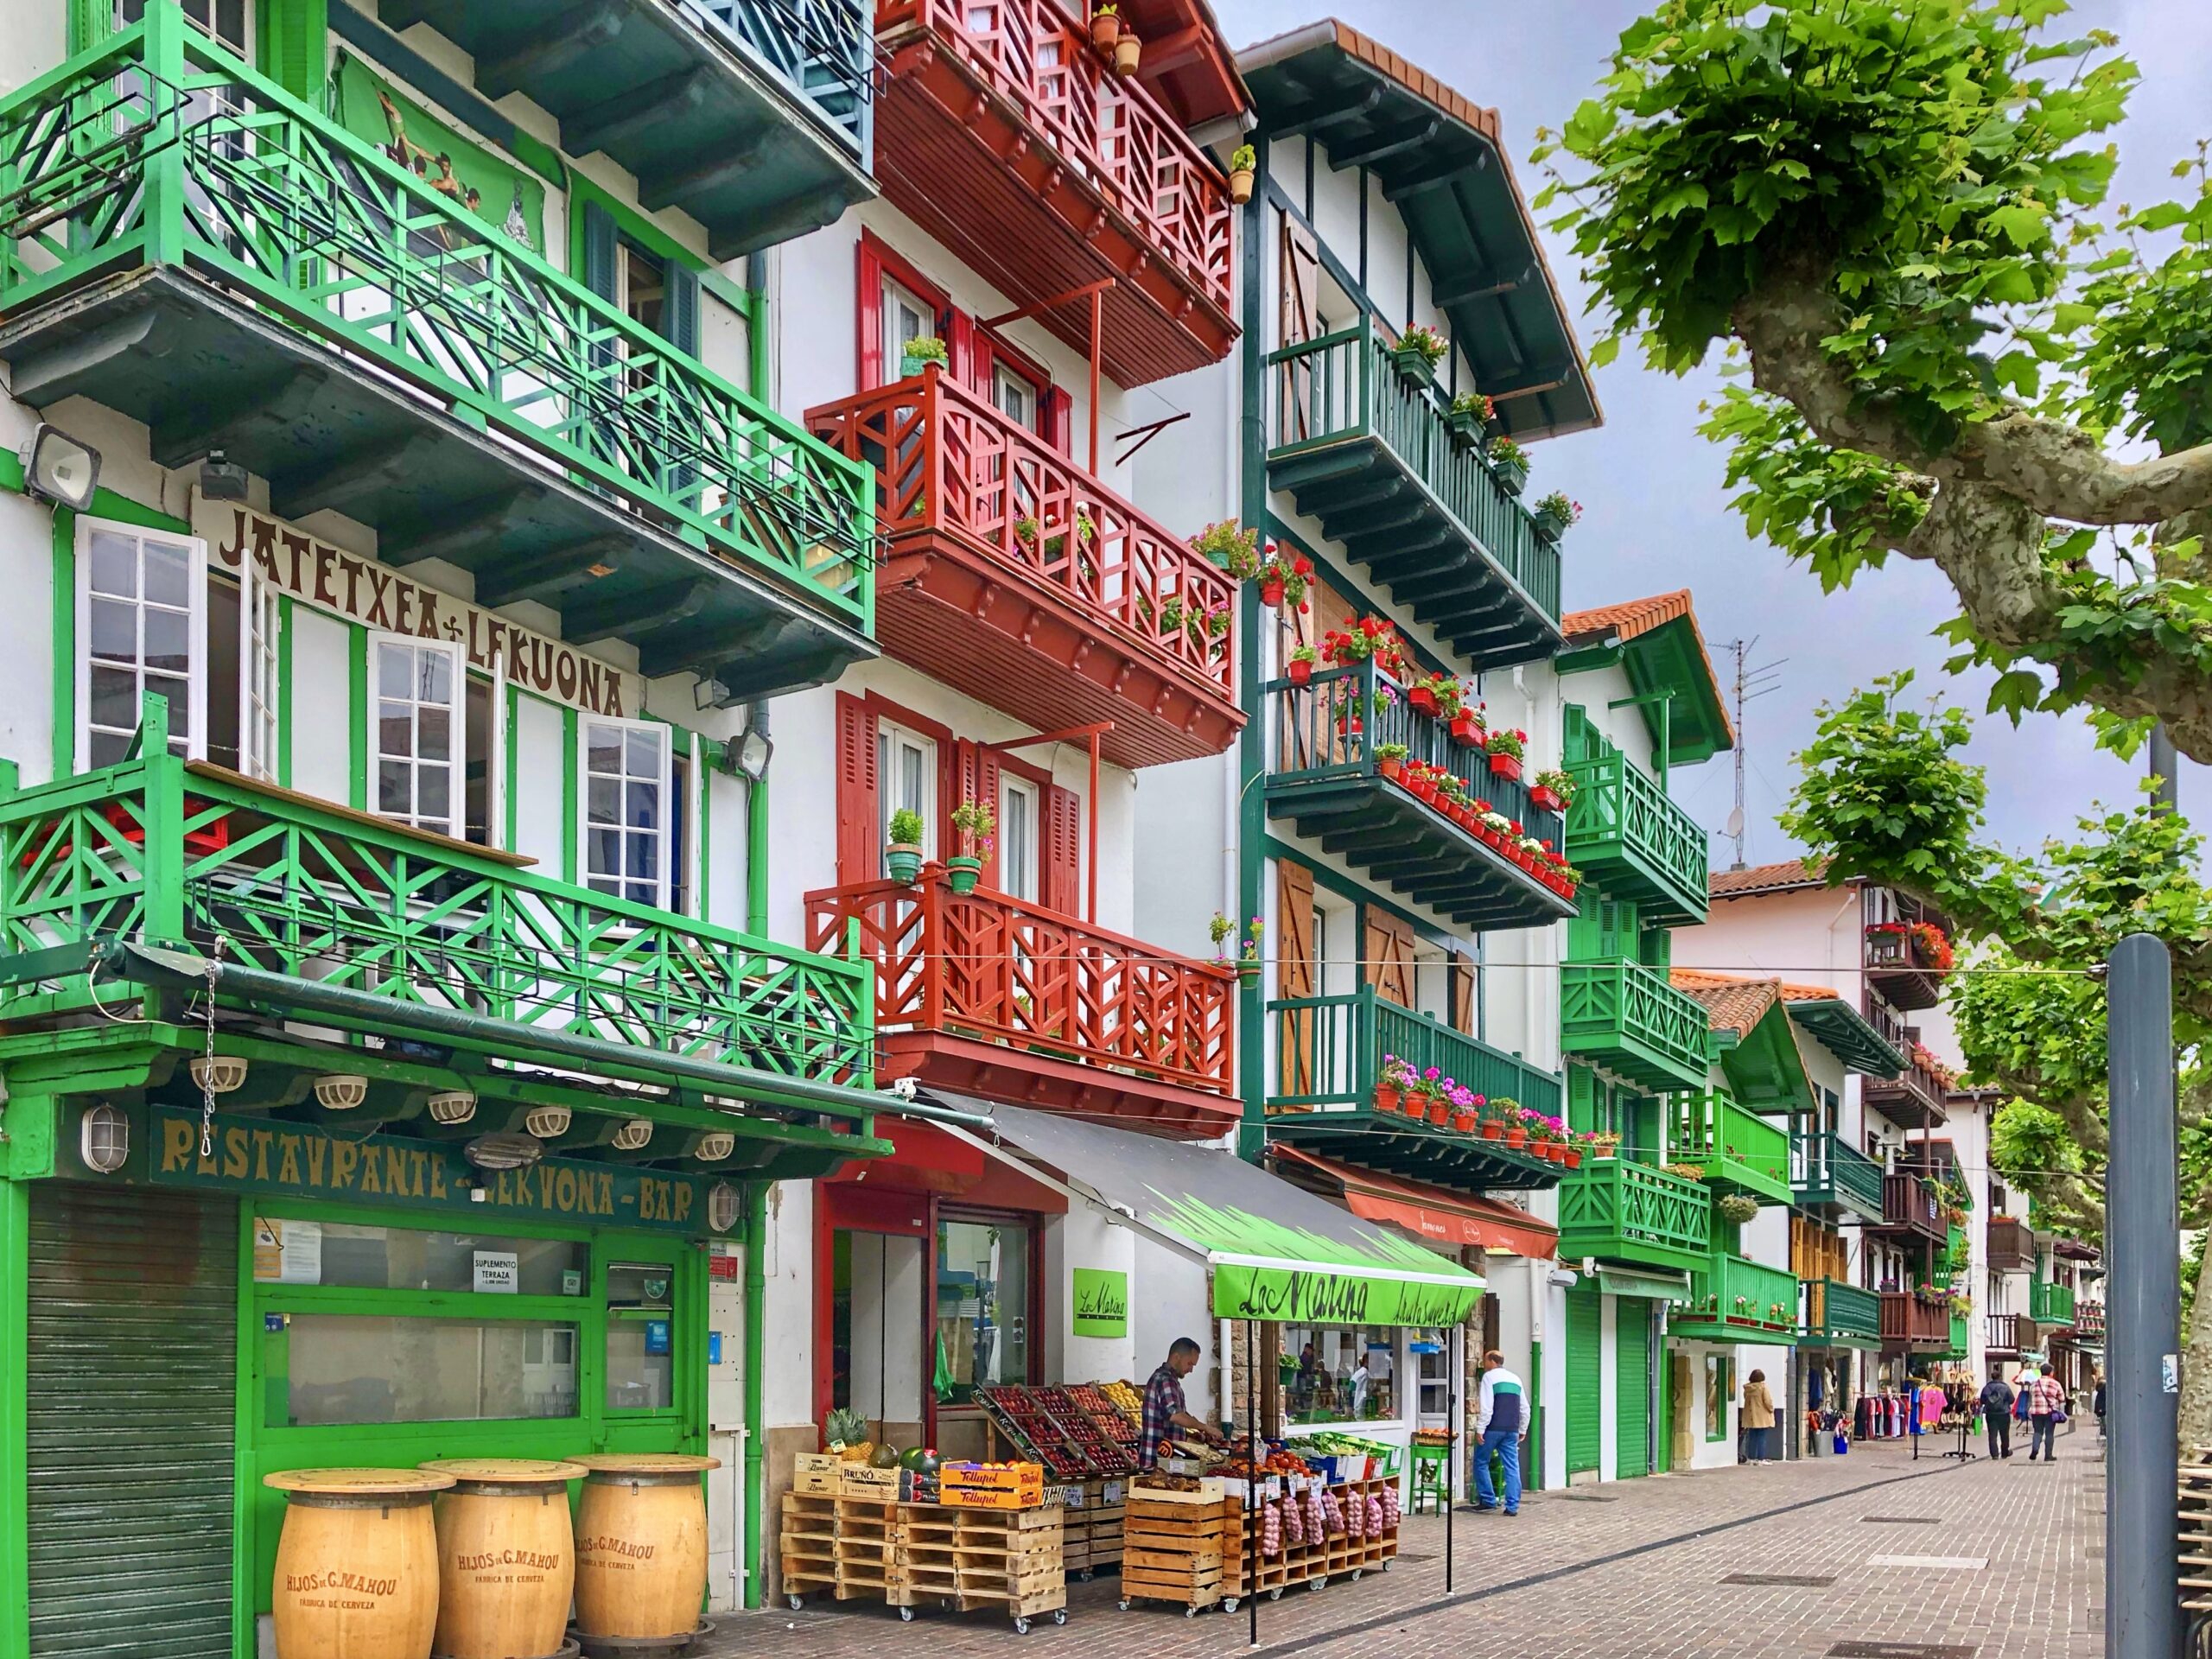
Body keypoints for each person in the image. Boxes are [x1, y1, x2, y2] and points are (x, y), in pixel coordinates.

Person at [1139, 1337, 1220, 1471]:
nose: (1191, 1370)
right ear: (1176, 1357)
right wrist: (1205, 1427)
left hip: (1164, 1462)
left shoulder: (1170, 1380)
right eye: (1189, 1364)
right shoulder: (1165, 1380)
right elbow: (1175, 1415)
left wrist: (1194, 1433)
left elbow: (1176, 1414)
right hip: (1157, 1464)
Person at [1469, 1350, 1529, 1515]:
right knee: (1512, 1467)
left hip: (1493, 1429)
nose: (1484, 1364)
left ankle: (1488, 1500)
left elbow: (1487, 1408)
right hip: (1512, 1430)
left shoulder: (1489, 1377)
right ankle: (1512, 1506)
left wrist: (1481, 1429)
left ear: (1492, 1362)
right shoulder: (1516, 1379)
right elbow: (1525, 1408)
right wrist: (1522, 1428)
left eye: (1485, 1360)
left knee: (1481, 1462)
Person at [2026, 1363, 2067, 1461]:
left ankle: (2035, 1449)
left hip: (2036, 1412)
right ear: (2051, 1373)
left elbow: (2031, 1397)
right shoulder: (2055, 1383)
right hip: (2050, 1412)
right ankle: (2048, 1456)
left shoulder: (2034, 1383)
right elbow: (2062, 1398)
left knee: (2037, 1432)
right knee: (2049, 1433)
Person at [1979, 1370, 2015, 1459]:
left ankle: (1994, 1454)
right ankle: (2004, 1452)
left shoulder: (1986, 1388)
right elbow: (2012, 1399)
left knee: (1992, 1434)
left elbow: (1982, 1400)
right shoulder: (2005, 1387)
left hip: (1991, 1414)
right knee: (2004, 1434)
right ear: (2000, 1377)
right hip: (2004, 1413)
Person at [1742, 1369, 1777, 1461]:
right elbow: (1767, 1401)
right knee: (1762, 1437)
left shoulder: (1748, 1389)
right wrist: (1771, 1409)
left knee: (1752, 1437)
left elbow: (1745, 1398)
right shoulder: (1763, 1388)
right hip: (1762, 1416)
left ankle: (1751, 1458)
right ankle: (1761, 1459)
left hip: (1751, 1417)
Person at [2094, 1370, 2107, 1440]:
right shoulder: (2105, 1387)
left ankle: (2104, 1432)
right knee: (2105, 1423)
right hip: (2104, 1407)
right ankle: (2106, 1434)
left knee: (2103, 1422)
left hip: (2100, 1408)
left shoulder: (2099, 1388)